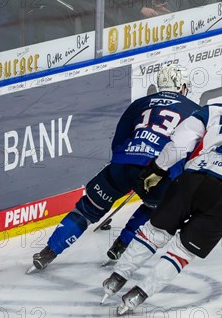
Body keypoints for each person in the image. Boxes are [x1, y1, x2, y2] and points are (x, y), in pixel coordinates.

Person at [100, 72, 222, 315]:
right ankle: (138, 295)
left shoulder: (214, 110)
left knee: (154, 232)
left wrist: (158, 168)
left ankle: (117, 278)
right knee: (182, 251)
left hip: (194, 179)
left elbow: (180, 143)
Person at [29, 63, 200, 271]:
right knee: (154, 207)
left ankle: (48, 252)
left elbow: (119, 138)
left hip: (123, 163)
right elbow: (192, 152)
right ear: (182, 86)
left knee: (87, 208)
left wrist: (125, 163)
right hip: (159, 171)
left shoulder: (141, 103)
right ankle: (121, 246)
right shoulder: (195, 110)